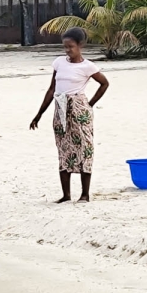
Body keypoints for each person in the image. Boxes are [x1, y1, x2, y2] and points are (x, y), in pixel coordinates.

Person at [29, 27, 110, 203]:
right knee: (64, 149)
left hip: (79, 109)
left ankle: (84, 195)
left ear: (80, 45)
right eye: (65, 47)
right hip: (60, 107)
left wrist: (90, 104)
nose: (67, 50)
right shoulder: (59, 63)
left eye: (71, 46)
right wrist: (39, 114)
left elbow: (104, 84)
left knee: (84, 149)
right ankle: (66, 195)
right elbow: (52, 89)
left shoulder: (88, 66)